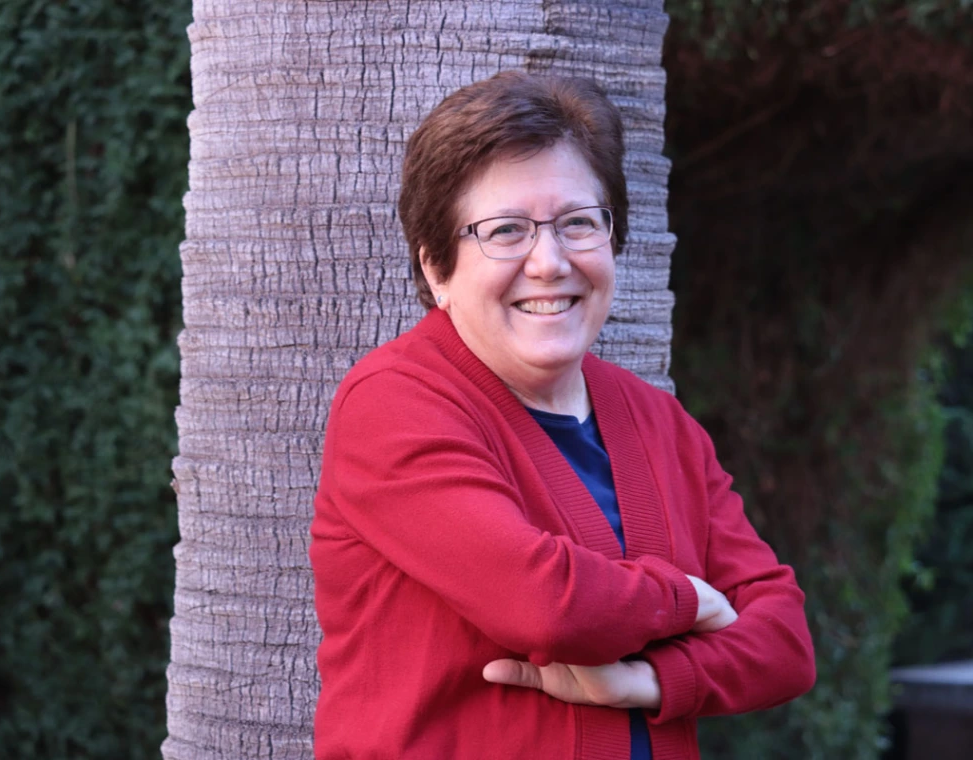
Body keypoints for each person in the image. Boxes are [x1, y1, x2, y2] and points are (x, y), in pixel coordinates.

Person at [309, 71, 815, 760]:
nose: (548, 263)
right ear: (437, 269)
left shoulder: (659, 423)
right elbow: (545, 606)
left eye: (578, 222)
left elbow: (785, 644)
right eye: (505, 231)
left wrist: (648, 680)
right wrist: (691, 603)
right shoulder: (396, 404)